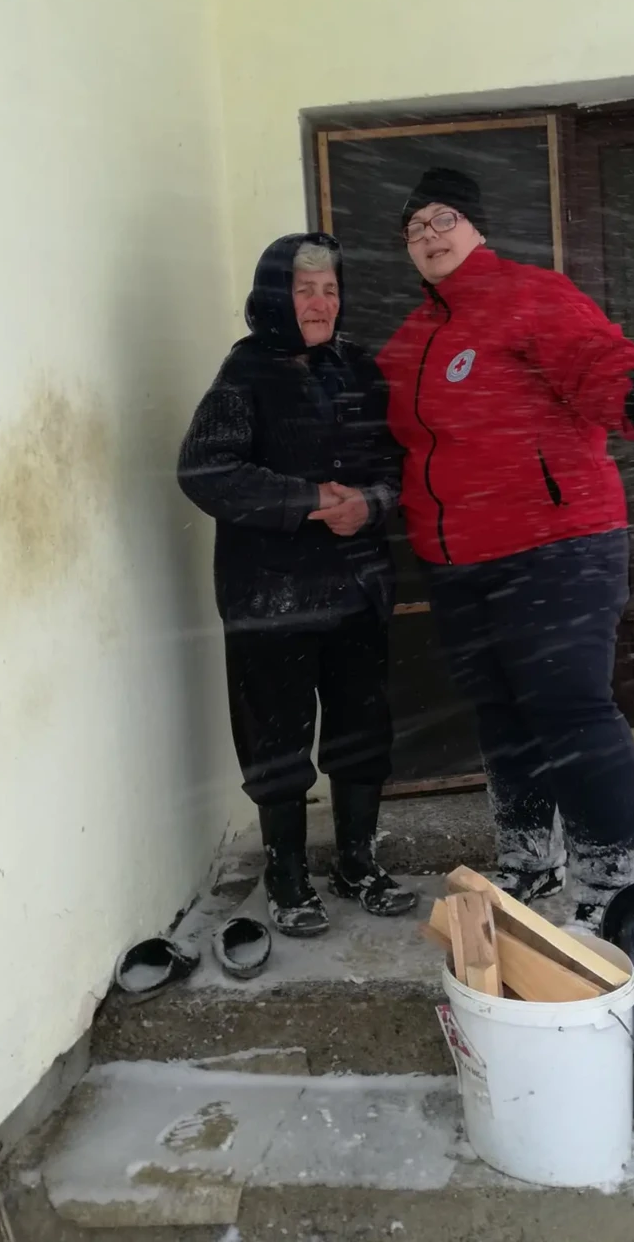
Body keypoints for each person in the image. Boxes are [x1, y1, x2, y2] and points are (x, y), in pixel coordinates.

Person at [377, 168, 634, 932]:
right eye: (414, 229)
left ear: (475, 226)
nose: (428, 236)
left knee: (568, 709)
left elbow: (593, 361)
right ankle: (530, 860)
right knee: (502, 716)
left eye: (442, 219)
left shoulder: (529, 294)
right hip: (457, 561)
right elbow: (385, 439)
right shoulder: (409, 341)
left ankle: (610, 881)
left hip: (557, 546)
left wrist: (632, 399)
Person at [178, 232, 417, 937]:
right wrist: (308, 499)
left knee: (362, 733)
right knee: (277, 743)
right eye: (304, 289)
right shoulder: (245, 373)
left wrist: (370, 503)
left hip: (356, 590)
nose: (320, 303)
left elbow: (394, 466)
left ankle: (356, 862)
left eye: (330, 290)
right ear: (275, 296)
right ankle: (285, 875)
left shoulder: (359, 369)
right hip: (270, 598)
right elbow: (206, 472)